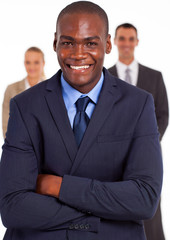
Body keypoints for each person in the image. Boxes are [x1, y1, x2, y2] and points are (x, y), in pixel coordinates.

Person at [0, 2, 163, 240]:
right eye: (68, 42)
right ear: (55, 43)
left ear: (107, 44)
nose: (78, 54)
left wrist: (58, 186)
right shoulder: (25, 106)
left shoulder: (138, 104)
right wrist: (102, 214)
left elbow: (145, 199)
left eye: (90, 43)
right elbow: (12, 205)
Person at [108, 23, 169, 240]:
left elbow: (163, 114)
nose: (126, 43)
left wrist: (147, 144)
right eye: (122, 38)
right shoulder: (104, 77)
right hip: (111, 155)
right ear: (114, 41)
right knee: (112, 203)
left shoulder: (154, 76)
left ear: (137, 42)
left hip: (147, 155)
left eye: (130, 39)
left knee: (149, 205)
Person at [2, 46, 45, 138]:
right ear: (24, 64)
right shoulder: (11, 89)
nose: (31, 67)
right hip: (19, 145)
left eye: (36, 62)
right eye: (28, 62)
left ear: (43, 63)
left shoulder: (52, 89)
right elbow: (6, 123)